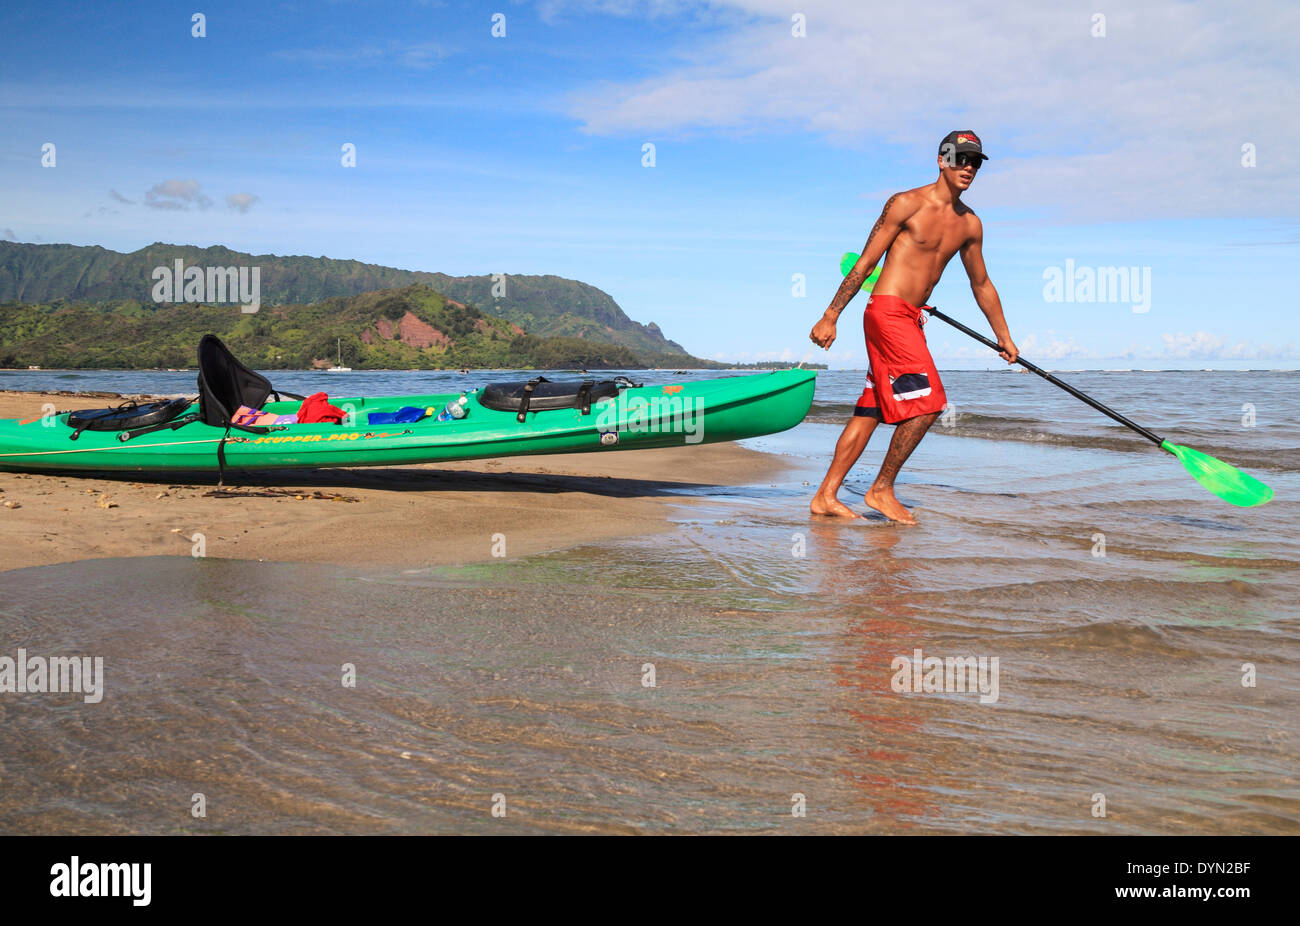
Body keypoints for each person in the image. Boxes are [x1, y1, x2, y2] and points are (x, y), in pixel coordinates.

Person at [809, 130, 1018, 525]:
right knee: (930, 403)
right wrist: (831, 314)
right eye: (961, 158)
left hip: (911, 317)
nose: (969, 167)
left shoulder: (970, 224)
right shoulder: (905, 203)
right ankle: (881, 489)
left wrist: (1003, 337)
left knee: (870, 411)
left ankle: (825, 495)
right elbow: (866, 263)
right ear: (942, 159)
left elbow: (981, 284)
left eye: (976, 162)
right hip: (886, 313)